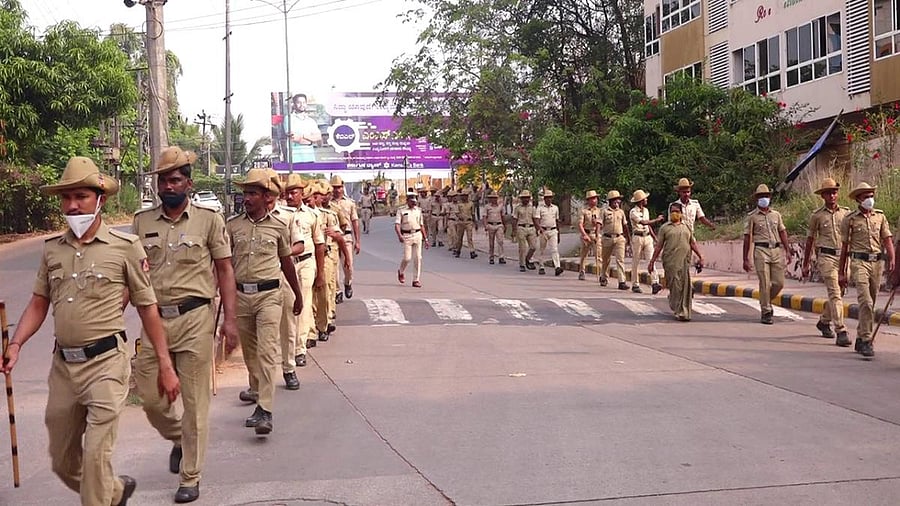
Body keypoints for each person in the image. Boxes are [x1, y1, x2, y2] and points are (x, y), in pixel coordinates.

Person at [2, 157, 180, 505]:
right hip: (63, 368)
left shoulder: (125, 248)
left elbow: (147, 307)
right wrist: (17, 343)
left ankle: (100, 495)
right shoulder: (52, 250)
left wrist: (165, 364)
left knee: (97, 456)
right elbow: (39, 302)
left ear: (101, 199)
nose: (72, 205)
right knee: (63, 461)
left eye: (81, 196)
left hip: (106, 365)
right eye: (66, 198)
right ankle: (115, 492)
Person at [133, 147, 237, 503]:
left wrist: (231, 321)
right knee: (150, 398)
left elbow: (225, 269)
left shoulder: (209, 220)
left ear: (188, 184)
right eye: (163, 180)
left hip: (195, 319)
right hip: (155, 322)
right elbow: (131, 275)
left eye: (175, 180)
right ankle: (178, 437)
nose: (168, 186)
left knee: (195, 404)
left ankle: (190, 476)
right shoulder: (142, 222)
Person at [227, 168, 302, 435]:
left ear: (265, 196)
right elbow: (224, 265)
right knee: (250, 353)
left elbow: (286, 263)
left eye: (252, 194)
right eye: (245, 193)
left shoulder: (279, 226)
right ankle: (258, 392)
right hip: (241, 296)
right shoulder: (232, 226)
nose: (246, 198)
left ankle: (265, 410)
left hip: (270, 296)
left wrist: (297, 294)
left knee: (268, 351)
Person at [839, 182, 895, 358]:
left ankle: (860, 336)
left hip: (877, 263)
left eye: (871, 196)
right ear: (858, 199)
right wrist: (841, 272)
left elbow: (887, 239)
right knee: (866, 302)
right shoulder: (850, 219)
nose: (869, 200)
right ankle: (865, 339)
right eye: (865, 197)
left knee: (872, 301)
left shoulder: (880, 216)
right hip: (859, 262)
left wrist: (892, 259)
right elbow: (845, 246)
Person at [801, 178, 851, 347]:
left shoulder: (846, 213)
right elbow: (810, 239)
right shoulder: (817, 215)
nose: (832, 196)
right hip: (826, 257)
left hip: (842, 257)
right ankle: (841, 330)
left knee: (840, 292)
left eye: (834, 192)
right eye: (828, 193)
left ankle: (824, 321)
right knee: (835, 292)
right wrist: (806, 264)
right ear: (823, 195)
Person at [285, 175, 324, 368]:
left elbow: (319, 245)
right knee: (288, 306)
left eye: (294, 192)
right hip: (287, 264)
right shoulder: (280, 215)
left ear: (301, 193)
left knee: (304, 303)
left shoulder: (312, 215)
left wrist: (321, 274)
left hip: (306, 262)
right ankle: (287, 346)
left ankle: (299, 349)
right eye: (288, 193)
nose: (290, 196)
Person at [742, 184, 791, 325]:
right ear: (757, 199)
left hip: (775, 250)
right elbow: (747, 237)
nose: (764, 198)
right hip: (761, 250)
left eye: (766, 196)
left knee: (779, 283)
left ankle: (765, 300)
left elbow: (782, 232)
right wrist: (745, 258)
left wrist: (787, 250)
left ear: (770, 197)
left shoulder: (776, 215)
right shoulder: (752, 217)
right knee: (764, 281)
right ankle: (766, 311)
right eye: (761, 196)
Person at [648, 202, 704, 321]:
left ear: (681, 213)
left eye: (677, 211)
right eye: (672, 211)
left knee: (685, 286)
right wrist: (652, 261)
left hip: (684, 260)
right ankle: (677, 306)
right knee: (675, 285)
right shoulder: (665, 228)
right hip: (670, 261)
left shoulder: (686, 226)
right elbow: (659, 246)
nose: (674, 214)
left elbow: (692, 243)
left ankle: (683, 312)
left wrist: (700, 256)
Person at [330, 176, 360, 300]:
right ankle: (337, 291)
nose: (337, 190)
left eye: (339, 187)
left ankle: (348, 283)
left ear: (342, 187)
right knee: (333, 267)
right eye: (334, 187)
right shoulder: (328, 203)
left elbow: (355, 221)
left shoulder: (349, 203)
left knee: (348, 265)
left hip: (346, 236)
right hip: (332, 238)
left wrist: (357, 241)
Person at [629, 189, 664, 294]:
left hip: (647, 236)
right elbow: (644, 222)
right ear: (640, 200)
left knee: (651, 259)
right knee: (636, 261)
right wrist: (657, 220)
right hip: (638, 237)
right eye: (645, 198)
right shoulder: (633, 212)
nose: (646, 200)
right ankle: (635, 284)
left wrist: (654, 237)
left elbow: (648, 225)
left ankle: (655, 282)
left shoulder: (646, 211)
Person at [396, 191, 430, 287]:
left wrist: (426, 239)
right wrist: (399, 235)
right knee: (407, 258)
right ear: (407, 201)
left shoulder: (418, 210)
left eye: (415, 202)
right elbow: (397, 224)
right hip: (406, 235)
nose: (413, 204)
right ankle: (401, 271)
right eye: (412, 202)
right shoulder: (401, 210)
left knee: (418, 258)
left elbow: (421, 225)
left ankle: (416, 279)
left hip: (417, 234)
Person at [598, 190, 630, 289]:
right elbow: (599, 223)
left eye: (618, 200)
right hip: (607, 237)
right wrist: (597, 234)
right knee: (606, 259)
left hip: (619, 237)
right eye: (615, 200)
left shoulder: (621, 212)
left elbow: (625, 225)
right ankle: (604, 276)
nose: (617, 202)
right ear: (610, 201)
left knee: (620, 260)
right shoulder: (604, 211)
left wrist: (628, 238)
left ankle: (621, 281)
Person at [534, 189, 563, 276]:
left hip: (553, 230)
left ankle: (557, 267)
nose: (549, 199)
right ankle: (541, 266)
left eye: (550, 197)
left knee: (554, 249)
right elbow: (536, 220)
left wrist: (558, 233)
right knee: (542, 249)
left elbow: (557, 220)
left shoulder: (555, 208)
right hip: (543, 230)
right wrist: (539, 228)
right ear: (544, 198)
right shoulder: (540, 208)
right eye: (547, 197)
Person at [285, 94, 321, 163]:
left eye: (304, 102)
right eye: (299, 102)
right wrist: (311, 140)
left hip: (310, 157)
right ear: (294, 104)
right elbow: (294, 138)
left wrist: (303, 136)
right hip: (295, 159)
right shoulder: (289, 118)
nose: (302, 105)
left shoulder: (311, 121)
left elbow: (318, 138)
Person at [578, 190, 603, 281]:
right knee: (584, 254)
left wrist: (597, 233)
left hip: (595, 233)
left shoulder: (600, 211)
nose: (594, 200)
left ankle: (601, 273)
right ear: (588, 200)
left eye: (595, 198)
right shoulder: (584, 211)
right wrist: (584, 235)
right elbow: (580, 224)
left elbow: (601, 224)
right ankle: (582, 271)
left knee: (599, 255)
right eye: (592, 198)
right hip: (586, 233)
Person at [512, 190, 538, 272]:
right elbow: (515, 219)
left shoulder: (532, 208)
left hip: (531, 227)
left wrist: (538, 229)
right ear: (521, 199)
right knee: (522, 248)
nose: (526, 199)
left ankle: (527, 259)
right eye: (524, 198)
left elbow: (535, 219)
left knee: (533, 247)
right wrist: (514, 230)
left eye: (527, 198)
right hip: (521, 227)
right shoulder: (518, 208)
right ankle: (522, 264)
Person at [483, 191, 506, 265]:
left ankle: (501, 257)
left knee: (500, 241)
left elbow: (503, 216)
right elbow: (484, 217)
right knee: (491, 242)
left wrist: (504, 225)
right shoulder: (487, 207)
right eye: (491, 198)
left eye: (494, 198)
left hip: (499, 225)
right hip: (491, 225)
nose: (493, 199)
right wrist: (485, 225)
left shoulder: (500, 206)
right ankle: (491, 256)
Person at [454, 191, 478, 259]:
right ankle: (458, 250)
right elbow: (456, 213)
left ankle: (472, 251)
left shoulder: (471, 204)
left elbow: (473, 213)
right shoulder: (459, 204)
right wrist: (461, 216)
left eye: (465, 195)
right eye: (463, 195)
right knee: (459, 238)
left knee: (469, 237)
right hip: (461, 222)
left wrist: (475, 223)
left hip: (468, 222)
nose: (464, 197)